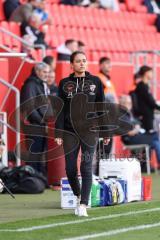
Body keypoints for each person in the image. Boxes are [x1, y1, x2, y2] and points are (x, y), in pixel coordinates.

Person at [55, 51, 105, 217]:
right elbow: (60, 110)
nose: (82, 64)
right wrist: (58, 132)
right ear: (72, 64)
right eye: (78, 61)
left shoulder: (96, 82)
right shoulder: (64, 83)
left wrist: (105, 131)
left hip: (90, 130)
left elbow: (101, 107)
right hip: (69, 131)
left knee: (86, 166)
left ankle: (84, 204)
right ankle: (78, 196)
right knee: (70, 168)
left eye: (84, 61)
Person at [20, 62, 50, 175]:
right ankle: (32, 178)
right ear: (37, 71)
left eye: (48, 72)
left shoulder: (39, 84)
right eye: (44, 72)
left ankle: (38, 178)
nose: (47, 75)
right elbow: (30, 107)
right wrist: (43, 123)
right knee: (34, 154)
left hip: (39, 125)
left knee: (38, 153)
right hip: (34, 126)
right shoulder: (31, 85)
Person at [120, 95, 160, 166]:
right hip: (129, 139)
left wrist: (138, 126)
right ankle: (145, 165)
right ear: (122, 104)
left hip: (136, 136)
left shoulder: (129, 114)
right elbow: (129, 133)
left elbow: (137, 123)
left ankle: (145, 165)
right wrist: (137, 128)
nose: (130, 105)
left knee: (155, 141)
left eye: (130, 103)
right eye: (128, 103)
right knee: (154, 136)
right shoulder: (122, 115)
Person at [135, 65, 160, 132]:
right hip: (145, 116)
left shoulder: (145, 86)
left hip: (149, 114)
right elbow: (150, 102)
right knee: (149, 134)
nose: (152, 74)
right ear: (146, 73)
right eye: (151, 72)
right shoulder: (141, 86)